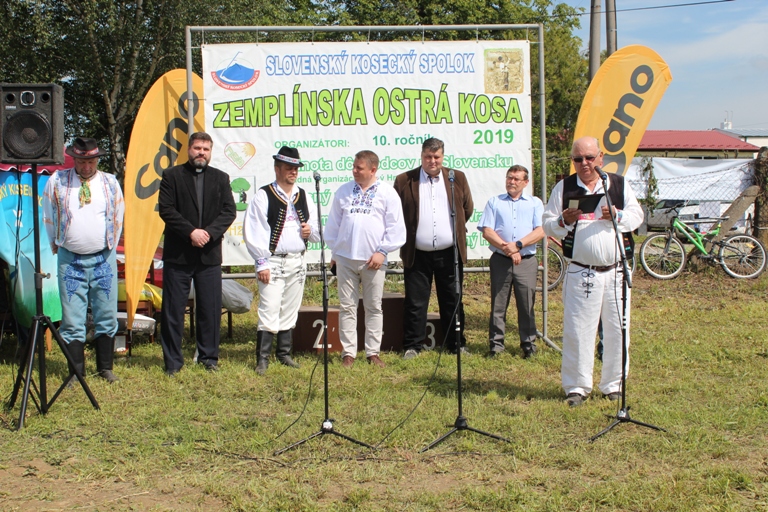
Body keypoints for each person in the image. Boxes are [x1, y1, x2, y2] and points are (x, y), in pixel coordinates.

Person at [542, 136, 643, 407]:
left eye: (589, 157)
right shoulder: (564, 187)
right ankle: (576, 387)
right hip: (581, 271)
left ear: (601, 157)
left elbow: (637, 216)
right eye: (578, 159)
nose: (584, 163)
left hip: (616, 272)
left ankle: (614, 385)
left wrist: (618, 216)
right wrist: (563, 220)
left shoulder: (617, 185)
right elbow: (547, 224)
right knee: (578, 330)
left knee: (617, 330)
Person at [42, 137, 124, 383]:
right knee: (72, 317)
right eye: (81, 161)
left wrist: (109, 245)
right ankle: (76, 373)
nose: (86, 166)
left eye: (91, 162)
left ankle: (105, 368)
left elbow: (119, 215)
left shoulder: (110, 182)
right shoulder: (57, 181)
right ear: (74, 159)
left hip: (103, 258)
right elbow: (48, 214)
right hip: (70, 259)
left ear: (97, 159)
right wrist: (55, 242)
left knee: (106, 313)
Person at [158, 132, 236, 376]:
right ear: (189, 149)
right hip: (178, 255)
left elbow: (229, 211)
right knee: (173, 311)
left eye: (206, 149)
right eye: (197, 148)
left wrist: (208, 234)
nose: (201, 152)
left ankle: (209, 358)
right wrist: (191, 232)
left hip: (208, 255)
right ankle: (173, 363)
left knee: (210, 310)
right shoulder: (172, 176)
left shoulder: (221, 178)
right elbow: (166, 210)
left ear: (210, 152)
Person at [324, 150, 406, 368]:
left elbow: (396, 228)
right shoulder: (343, 191)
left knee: (373, 306)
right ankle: (348, 353)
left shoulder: (387, 193)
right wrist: (335, 253)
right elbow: (333, 226)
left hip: (374, 260)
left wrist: (382, 251)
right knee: (347, 306)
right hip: (345, 258)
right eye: (353, 166)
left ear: (373, 169)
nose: (354, 171)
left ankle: (372, 352)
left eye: (359, 168)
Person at [393, 138, 474, 359]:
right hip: (417, 254)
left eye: (436, 157)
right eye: (428, 157)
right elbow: (396, 213)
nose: (432, 161)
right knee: (415, 302)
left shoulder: (456, 178)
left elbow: (467, 208)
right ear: (421, 156)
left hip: (450, 253)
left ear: (442, 157)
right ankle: (412, 346)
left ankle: (456, 344)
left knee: (452, 300)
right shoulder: (404, 180)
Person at [243, 146, 319, 375]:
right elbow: (254, 230)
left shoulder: (303, 195)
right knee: (269, 306)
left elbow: (315, 227)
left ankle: (284, 353)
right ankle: (263, 358)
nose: (293, 172)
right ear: (277, 169)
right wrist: (262, 262)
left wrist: (310, 231)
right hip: (273, 260)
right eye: (288, 168)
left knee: (290, 307)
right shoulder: (264, 195)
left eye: (296, 168)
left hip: (297, 259)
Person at [478, 165, 544, 359]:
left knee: (526, 305)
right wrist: (508, 249)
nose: (512, 182)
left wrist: (518, 245)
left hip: (526, 262)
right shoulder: (494, 202)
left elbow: (540, 231)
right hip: (501, 260)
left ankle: (529, 345)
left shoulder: (535, 203)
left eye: (516, 179)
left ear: (526, 182)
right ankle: (496, 346)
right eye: (509, 178)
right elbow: (487, 231)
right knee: (498, 305)